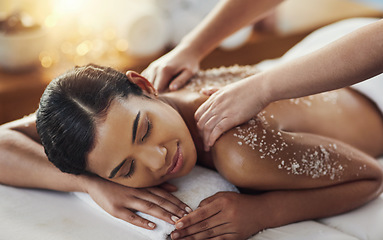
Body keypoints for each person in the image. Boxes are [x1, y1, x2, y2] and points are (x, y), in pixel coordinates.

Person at [1, 63, 383, 240]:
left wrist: (266, 211)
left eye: (145, 129)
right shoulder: (101, 120)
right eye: (125, 169)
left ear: (143, 85)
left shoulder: (240, 156)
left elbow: (371, 176)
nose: (158, 160)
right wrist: (90, 185)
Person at [142, 0, 383, 152]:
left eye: (143, 131)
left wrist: (263, 88)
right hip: (338, 43)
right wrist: (192, 46)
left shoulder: (238, 156)